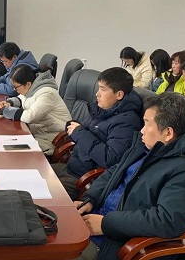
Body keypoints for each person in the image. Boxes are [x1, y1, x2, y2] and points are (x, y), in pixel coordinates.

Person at [25, 93, 185, 260]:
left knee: (48, 258)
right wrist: (90, 199)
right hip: (102, 221)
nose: (141, 130)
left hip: (124, 241)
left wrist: (105, 224)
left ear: (168, 132)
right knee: (35, 227)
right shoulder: (150, 147)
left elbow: (167, 220)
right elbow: (114, 171)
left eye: (147, 124)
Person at [51, 67, 143, 200]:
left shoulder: (127, 122)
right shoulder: (103, 110)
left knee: (39, 192)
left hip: (85, 180)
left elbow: (110, 158)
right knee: (34, 172)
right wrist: (73, 128)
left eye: (103, 89)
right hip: (72, 167)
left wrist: (80, 133)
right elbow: (84, 131)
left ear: (119, 95)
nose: (97, 94)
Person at [0, 65, 71, 155]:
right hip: (38, 133)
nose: (15, 90)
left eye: (16, 87)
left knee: (13, 152)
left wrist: (2, 110)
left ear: (28, 84)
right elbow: (22, 99)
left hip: (52, 139)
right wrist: (10, 103)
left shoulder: (47, 93)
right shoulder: (32, 88)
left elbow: (29, 116)